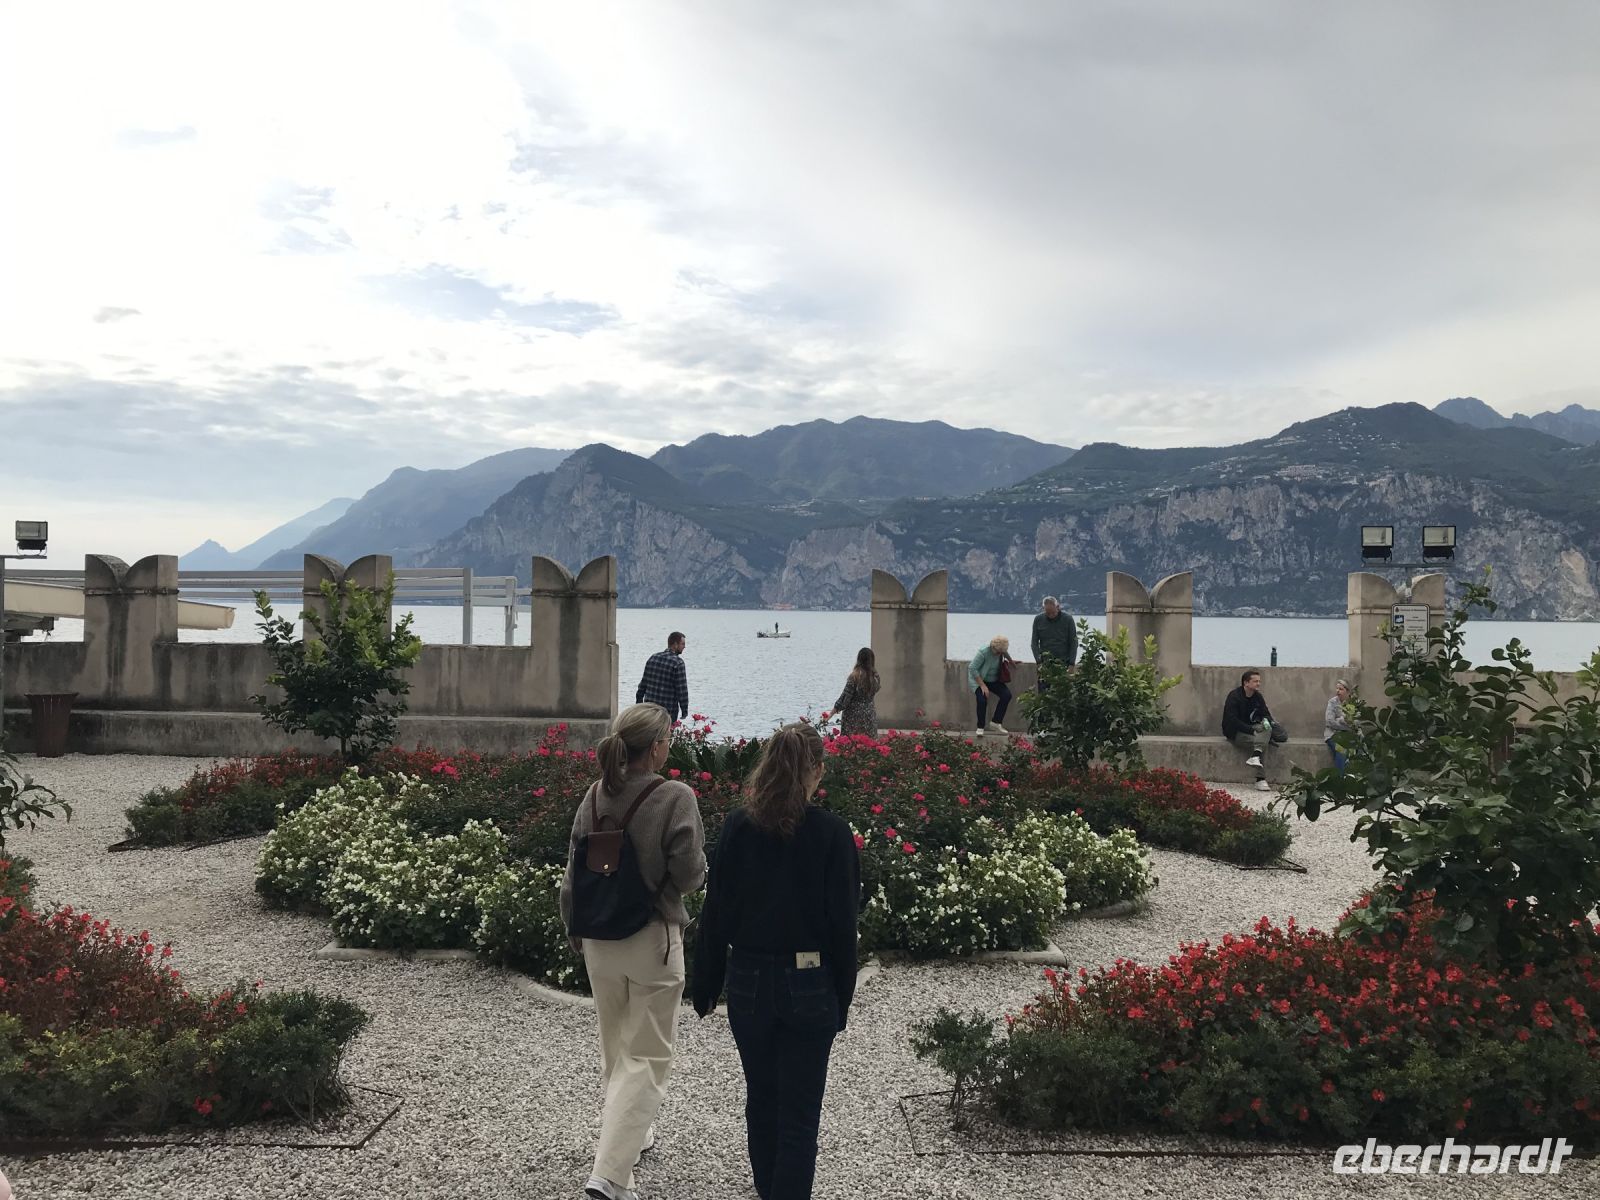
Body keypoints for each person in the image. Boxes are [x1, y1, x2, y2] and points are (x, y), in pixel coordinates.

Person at [693, 723, 860, 1200]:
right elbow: (841, 925)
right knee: (799, 1118)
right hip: (808, 980)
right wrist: (840, 997)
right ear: (817, 772)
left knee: (762, 1102)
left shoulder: (738, 826)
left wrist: (706, 982)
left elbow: (717, 911)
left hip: (747, 979)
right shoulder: (830, 833)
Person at [561, 703, 707, 1200]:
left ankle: (635, 1135)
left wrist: (574, 929)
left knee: (616, 1046)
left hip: (598, 938)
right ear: (659, 744)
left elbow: (572, 871)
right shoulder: (675, 797)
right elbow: (688, 876)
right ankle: (610, 1176)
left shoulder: (598, 793)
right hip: (652, 939)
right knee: (647, 1055)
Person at [1221, 668, 1288, 791]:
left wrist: (1266, 721)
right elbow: (1232, 720)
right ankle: (1260, 779)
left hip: (1255, 728)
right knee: (1264, 743)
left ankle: (1255, 756)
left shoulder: (1258, 697)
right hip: (1236, 732)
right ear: (1246, 683)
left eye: (1259, 681)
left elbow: (1266, 714)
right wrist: (1252, 731)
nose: (1258, 684)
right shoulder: (1234, 696)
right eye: (1255, 681)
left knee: (1267, 728)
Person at [635, 632, 689, 723]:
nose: (684, 646)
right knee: (664, 736)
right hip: (667, 712)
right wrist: (684, 710)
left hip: (649, 710)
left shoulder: (653, 657)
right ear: (675, 645)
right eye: (682, 644)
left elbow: (643, 683)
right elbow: (682, 690)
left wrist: (639, 702)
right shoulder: (678, 663)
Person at [968, 635, 1015, 737]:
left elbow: (1004, 653)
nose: (999, 654)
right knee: (982, 699)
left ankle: (996, 722)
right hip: (979, 680)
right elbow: (972, 668)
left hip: (993, 680)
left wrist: (1011, 661)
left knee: (1006, 695)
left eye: (1001, 652)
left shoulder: (1001, 651)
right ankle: (980, 727)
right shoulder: (983, 652)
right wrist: (982, 685)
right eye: (998, 652)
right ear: (993, 648)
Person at [1030, 595, 1078, 688]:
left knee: (1063, 694)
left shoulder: (1068, 619)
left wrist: (1072, 663)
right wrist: (1038, 662)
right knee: (1043, 693)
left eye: (1053, 613)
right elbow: (1034, 643)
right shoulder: (1038, 619)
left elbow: (1073, 643)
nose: (1051, 616)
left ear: (1058, 607)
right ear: (1043, 609)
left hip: (1063, 664)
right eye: (1048, 613)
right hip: (1045, 665)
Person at [831, 647, 880, 737]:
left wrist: (831, 714)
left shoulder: (855, 677)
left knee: (851, 744)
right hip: (869, 714)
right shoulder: (875, 677)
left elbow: (844, 699)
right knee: (868, 743)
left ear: (859, 659)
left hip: (853, 716)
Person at [1324, 679, 1352, 773]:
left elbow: (1355, 721)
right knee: (1341, 750)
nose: (1337, 691)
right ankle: (1339, 779)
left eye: (1341, 689)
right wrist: (1343, 722)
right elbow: (1329, 721)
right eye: (1337, 688)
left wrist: (1340, 720)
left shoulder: (1352, 703)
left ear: (1347, 691)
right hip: (1333, 734)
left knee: (1358, 750)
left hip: (1349, 735)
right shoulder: (1332, 702)